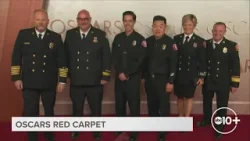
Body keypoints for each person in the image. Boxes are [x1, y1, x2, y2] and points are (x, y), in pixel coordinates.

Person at [10, 9, 67, 141]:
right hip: (29, 81)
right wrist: (16, 78)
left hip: (49, 81)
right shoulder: (24, 35)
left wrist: (62, 80)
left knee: (49, 111)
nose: (40, 22)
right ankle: (32, 136)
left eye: (43, 20)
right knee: (31, 111)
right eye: (38, 19)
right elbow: (16, 58)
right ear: (33, 20)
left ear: (48, 21)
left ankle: (49, 134)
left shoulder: (55, 37)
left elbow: (62, 61)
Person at [64, 9, 112, 141]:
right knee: (77, 108)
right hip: (76, 79)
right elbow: (65, 56)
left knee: (96, 108)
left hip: (95, 80)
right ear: (77, 20)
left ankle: (97, 131)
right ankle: (76, 129)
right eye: (80, 19)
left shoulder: (100, 34)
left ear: (90, 19)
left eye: (86, 19)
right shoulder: (70, 34)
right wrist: (66, 75)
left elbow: (106, 57)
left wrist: (105, 76)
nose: (83, 21)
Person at [197, 22, 240, 139]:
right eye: (215, 30)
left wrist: (235, 83)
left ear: (225, 32)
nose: (217, 33)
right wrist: (201, 77)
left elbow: (235, 66)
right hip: (208, 80)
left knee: (222, 105)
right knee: (206, 103)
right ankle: (207, 119)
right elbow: (203, 63)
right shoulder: (206, 44)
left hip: (223, 81)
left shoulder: (231, 46)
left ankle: (220, 125)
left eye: (220, 31)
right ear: (212, 31)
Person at [112, 11, 147, 141]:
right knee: (119, 105)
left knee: (134, 106)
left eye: (130, 21)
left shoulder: (140, 39)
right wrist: (120, 73)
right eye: (125, 20)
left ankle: (133, 132)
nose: (127, 23)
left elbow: (140, 61)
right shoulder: (118, 38)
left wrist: (127, 74)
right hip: (119, 79)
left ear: (134, 22)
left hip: (133, 79)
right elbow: (114, 57)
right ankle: (120, 128)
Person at [142, 15, 178, 141]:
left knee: (163, 106)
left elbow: (174, 64)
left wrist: (170, 81)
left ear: (165, 27)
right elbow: (144, 62)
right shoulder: (147, 42)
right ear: (152, 27)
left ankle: (163, 130)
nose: (158, 29)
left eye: (161, 26)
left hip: (163, 80)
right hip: (150, 80)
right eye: (155, 26)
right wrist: (143, 78)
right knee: (152, 104)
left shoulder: (170, 43)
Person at [173, 14, 206, 119]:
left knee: (188, 98)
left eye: (190, 25)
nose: (187, 27)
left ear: (194, 26)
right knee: (179, 97)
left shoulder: (200, 41)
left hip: (191, 75)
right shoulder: (176, 38)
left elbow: (202, 61)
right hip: (178, 74)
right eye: (185, 24)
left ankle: (186, 118)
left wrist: (201, 77)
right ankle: (180, 116)